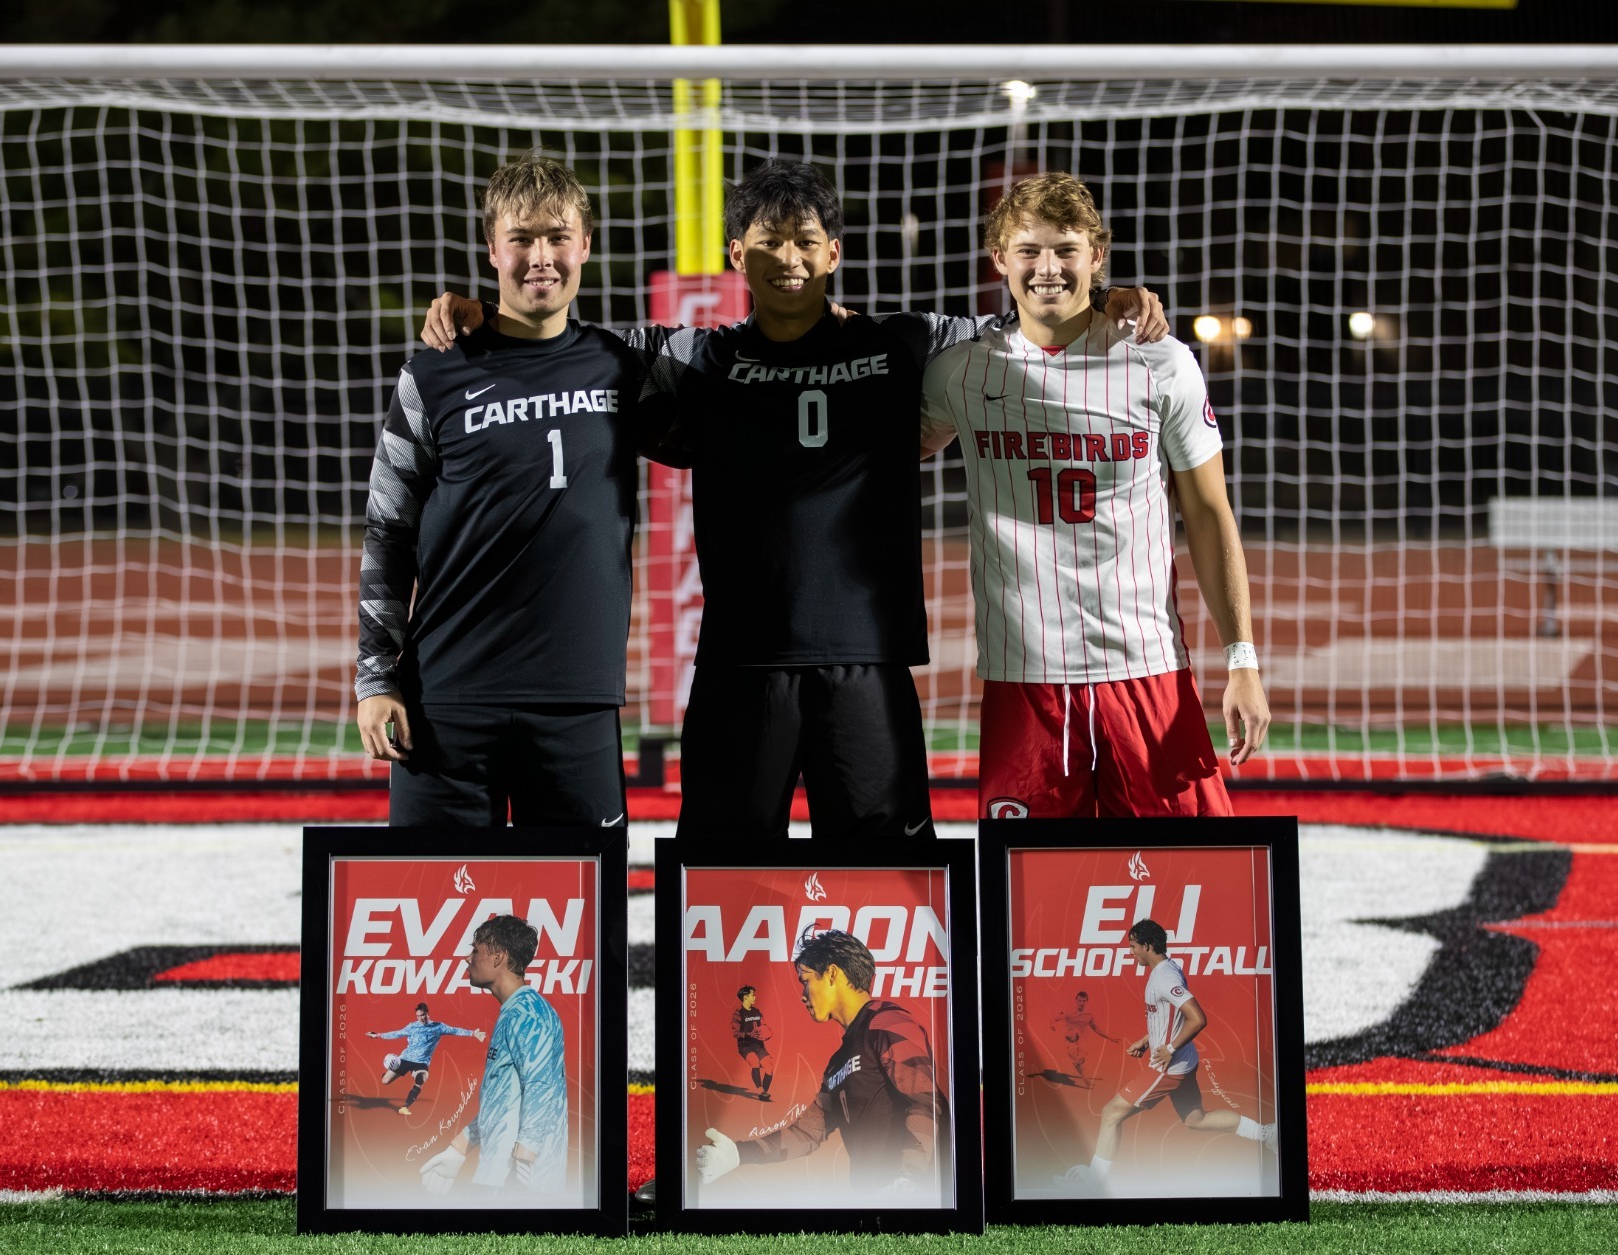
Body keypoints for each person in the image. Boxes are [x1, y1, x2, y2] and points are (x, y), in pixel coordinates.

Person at [424, 160, 1168, 839]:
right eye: (769, 242)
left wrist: (1110, 296)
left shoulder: (905, 345)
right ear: (736, 255)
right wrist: (479, 314)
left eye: (806, 241)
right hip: (740, 668)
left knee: (887, 877)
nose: (789, 259)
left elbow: (1026, 318)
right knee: (720, 882)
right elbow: (569, 344)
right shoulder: (694, 359)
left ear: (834, 253)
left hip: (868, 665)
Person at [920, 172, 1270, 818]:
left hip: (1146, 670)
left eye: (1065, 249)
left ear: (1096, 257)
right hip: (1024, 682)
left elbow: (1209, 511)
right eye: (1028, 250)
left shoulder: (1159, 362)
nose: (1046, 268)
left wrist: (1241, 659)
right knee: (1030, 903)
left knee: (1197, 887)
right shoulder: (962, 374)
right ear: (999, 258)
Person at [354, 155, 671, 827]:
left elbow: (757, 349)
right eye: (521, 238)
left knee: (582, 926)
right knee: (436, 918)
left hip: (577, 701)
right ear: (491, 247)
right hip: (448, 700)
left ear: (585, 244)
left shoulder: (630, 361)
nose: (541, 256)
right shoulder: (433, 374)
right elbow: (388, 530)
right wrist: (377, 679)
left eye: (558, 236)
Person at [695, 929, 946, 1199]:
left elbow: (924, 1102)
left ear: (833, 974)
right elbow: (807, 1134)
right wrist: (737, 1154)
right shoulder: (838, 1063)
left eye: (806, 981)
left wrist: (910, 1180)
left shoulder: (887, 1022)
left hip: (917, 1205)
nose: (803, 995)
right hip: (875, 1204)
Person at [1058, 918, 1273, 1192]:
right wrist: (1148, 1040)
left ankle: (1092, 1184)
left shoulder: (1165, 977)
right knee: (1196, 1119)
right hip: (1184, 1062)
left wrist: (1169, 1049)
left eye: (1133, 946)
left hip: (1169, 1068)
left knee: (1111, 1113)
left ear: (1147, 946)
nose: (1131, 952)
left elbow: (1197, 1018)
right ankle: (1267, 1134)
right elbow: (1172, 1017)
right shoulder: (1166, 970)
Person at [419, 914, 570, 1196]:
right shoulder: (516, 1011)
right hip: (499, 1177)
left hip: (518, 1183)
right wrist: (460, 1148)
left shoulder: (529, 1014)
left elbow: (540, 1089)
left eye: (475, 950)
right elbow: (505, 1100)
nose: (468, 958)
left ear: (498, 957)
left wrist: (523, 1169)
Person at [366, 1002, 486, 1116]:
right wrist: (377, 1035)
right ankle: (386, 1074)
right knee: (385, 1081)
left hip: (421, 1062)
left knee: (422, 1078)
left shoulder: (438, 1027)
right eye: (418, 1016)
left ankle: (405, 1107)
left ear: (428, 1014)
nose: (420, 1018)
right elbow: (397, 1033)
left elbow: (455, 1031)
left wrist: (473, 1034)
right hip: (405, 1059)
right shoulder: (412, 1026)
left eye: (422, 1015)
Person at [1048, 989, 1117, 1082]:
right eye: (1079, 1000)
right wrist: (1052, 1025)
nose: (1081, 1003)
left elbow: (1095, 1028)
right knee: (1077, 1058)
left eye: (1084, 1001)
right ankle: (1085, 1078)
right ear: (1076, 1000)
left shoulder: (1089, 1014)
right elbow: (1054, 1018)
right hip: (1070, 1040)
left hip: (1084, 1040)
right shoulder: (1069, 1011)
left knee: (1081, 1059)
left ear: (1086, 1001)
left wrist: (1109, 1038)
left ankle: (1085, 1078)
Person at [733, 984, 775, 1102]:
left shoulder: (757, 1012)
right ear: (745, 997)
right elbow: (735, 1032)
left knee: (769, 1067)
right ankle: (760, 1090)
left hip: (758, 1045)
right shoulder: (738, 1014)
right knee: (755, 1062)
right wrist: (748, 1034)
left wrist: (768, 1033)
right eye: (753, 995)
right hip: (745, 1046)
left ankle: (764, 1092)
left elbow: (764, 1026)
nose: (755, 997)